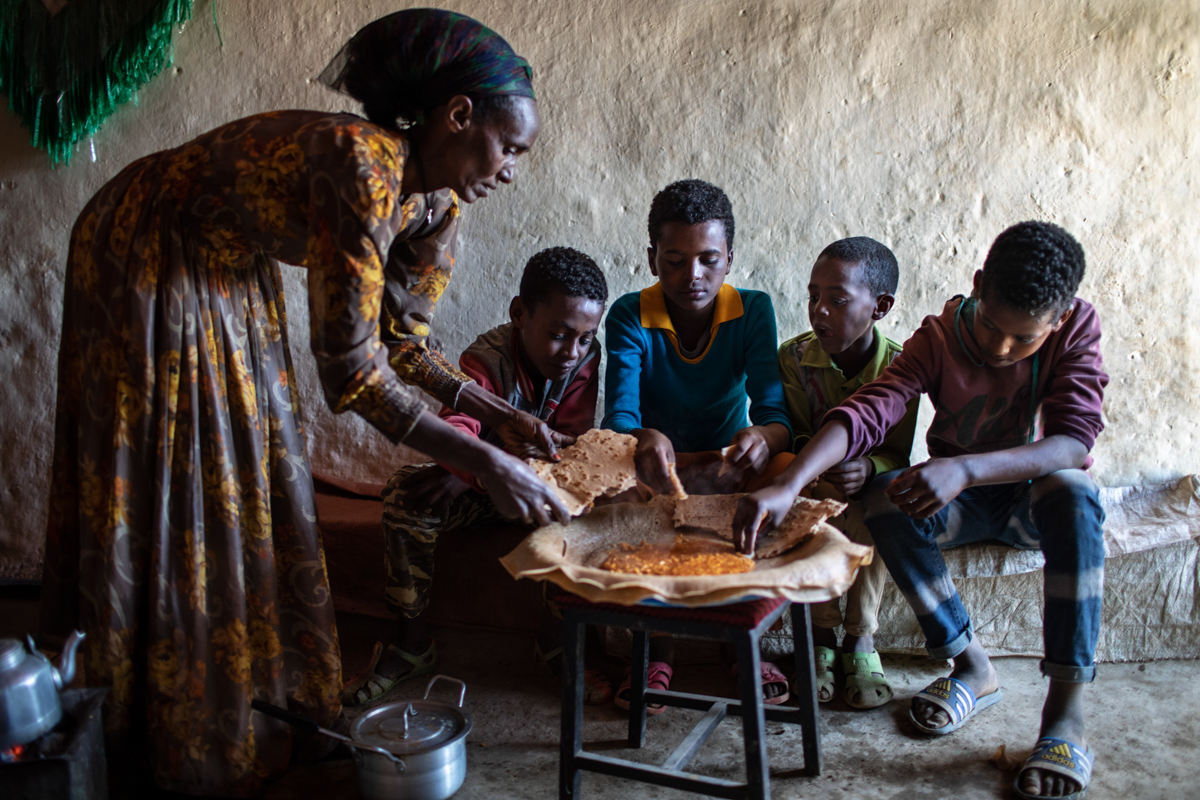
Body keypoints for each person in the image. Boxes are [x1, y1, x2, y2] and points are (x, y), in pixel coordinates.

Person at [38, 9, 570, 795]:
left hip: (229, 268)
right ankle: (154, 708)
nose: (513, 170)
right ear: (458, 116)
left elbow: (402, 344)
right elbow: (349, 372)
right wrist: (482, 460)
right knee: (181, 466)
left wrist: (494, 412)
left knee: (245, 468)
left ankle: (244, 699)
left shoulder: (439, 205)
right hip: (147, 244)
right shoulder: (360, 163)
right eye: (510, 146)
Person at [734, 221, 1108, 800]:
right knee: (888, 497)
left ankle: (1064, 713)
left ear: (1058, 322)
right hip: (957, 504)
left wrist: (966, 468)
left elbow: (1074, 442)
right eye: (989, 325)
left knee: (1075, 492)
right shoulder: (939, 336)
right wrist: (792, 482)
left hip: (1034, 505)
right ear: (978, 286)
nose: (1000, 348)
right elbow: (868, 412)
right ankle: (971, 666)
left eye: (1023, 340)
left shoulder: (1076, 327)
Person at [345, 246, 612, 706]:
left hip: (537, 486)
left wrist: (479, 470)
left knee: (584, 511)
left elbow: (572, 446)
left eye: (585, 339)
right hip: (482, 485)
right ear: (519, 314)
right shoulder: (486, 358)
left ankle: (555, 641)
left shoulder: (584, 362)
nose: (572, 352)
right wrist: (465, 475)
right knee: (406, 498)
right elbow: (457, 430)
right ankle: (411, 645)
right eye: (559, 334)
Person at [602, 179, 793, 709]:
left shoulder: (753, 310)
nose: (693, 276)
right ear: (651, 258)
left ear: (730, 258)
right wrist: (644, 434)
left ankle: (743, 643)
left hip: (729, 465)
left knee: (787, 466)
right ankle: (656, 647)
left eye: (709, 259)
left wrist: (758, 438)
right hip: (657, 468)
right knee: (615, 484)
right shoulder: (629, 314)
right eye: (675, 260)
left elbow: (776, 417)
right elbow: (618, 419)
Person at [777, 236, 916, 709]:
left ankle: (860, 638)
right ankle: (819, 636)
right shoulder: (794, 360)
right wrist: (821, 469)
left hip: (868, 489)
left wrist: (871, 465)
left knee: (879, 505)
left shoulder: (902, 367)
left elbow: (899, 455)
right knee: (811, 508)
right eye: (813, 296)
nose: (818, 311)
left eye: (837, 300)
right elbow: (793, 435)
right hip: (814, 483)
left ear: (880, 307)